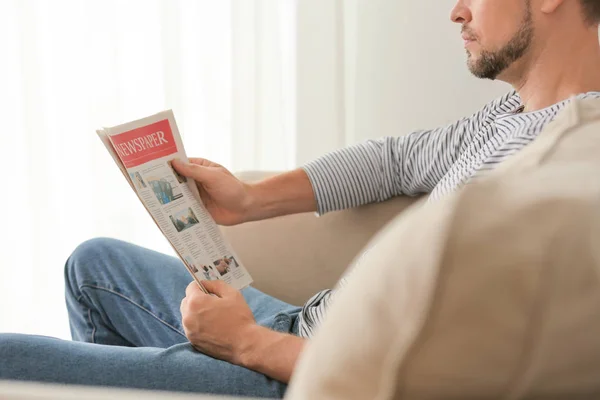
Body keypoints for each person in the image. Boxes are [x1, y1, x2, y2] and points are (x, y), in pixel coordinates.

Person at [1, 0, 600, 398]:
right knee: (93, 266)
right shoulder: (519, 115)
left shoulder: (564, 171)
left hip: (301, 374)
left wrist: (247, 343)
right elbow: (395, 159)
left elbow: (438, 377)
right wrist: (248, 200)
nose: (456, 11)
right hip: (302, 329)